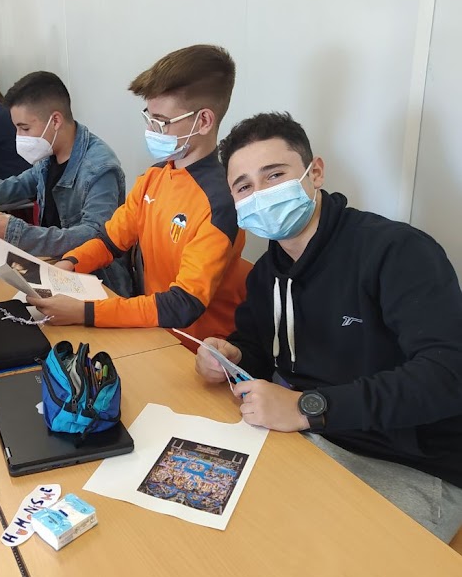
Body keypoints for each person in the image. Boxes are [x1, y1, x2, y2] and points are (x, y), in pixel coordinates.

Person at [195, 111, 462, 544]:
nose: (261, 194)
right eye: (244, 187)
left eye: (275, 175)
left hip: (411, 464)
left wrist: (306, 407)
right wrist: (232, 356)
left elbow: (448, 375)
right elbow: (261, 345)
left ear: (314, 173)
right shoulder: (266, 274)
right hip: (311, 438)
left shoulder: (396, 251)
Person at [27, 46, 249, 346]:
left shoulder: (219, 202)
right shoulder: (154, 178)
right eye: (149, 117)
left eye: (161, 121)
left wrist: (85, 312)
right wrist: (68, 265)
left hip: (198, 348)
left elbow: (184, 304)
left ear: (204, 121)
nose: (150, 129)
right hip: (154, 332)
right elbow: (111, 240)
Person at [0, 71, 131, 297]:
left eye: (25, 128)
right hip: (54, 266)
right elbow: (27, 180)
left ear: (55, 121)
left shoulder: (100, 168)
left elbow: (95, 237)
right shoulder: (52, 151)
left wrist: (18, 233)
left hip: (97, 283)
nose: (19, 136)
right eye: (17, 128)